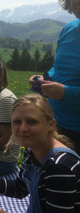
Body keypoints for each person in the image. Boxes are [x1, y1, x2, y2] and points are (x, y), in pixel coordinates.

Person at [0, 94, 80, 213]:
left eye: (31, 122)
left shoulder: (59, 168)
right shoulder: (32, 150)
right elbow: (20, 189)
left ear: (51, 125)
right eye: (17, 122)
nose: (23, 128)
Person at [29, 0, 80, 154]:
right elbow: (60, 67)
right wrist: (45, 77)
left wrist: (66, 92)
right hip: (55, 124)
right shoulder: (69, 29)